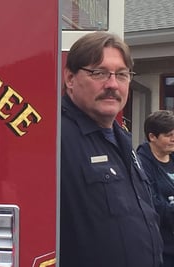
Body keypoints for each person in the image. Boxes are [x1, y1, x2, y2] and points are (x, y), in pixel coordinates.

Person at [60, 31, 163, 267]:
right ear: (70, 78)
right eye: (99, 72)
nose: (112, 84)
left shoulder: (122, 139)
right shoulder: (54, 139)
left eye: (122, 74)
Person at [137, 110, 174, 267]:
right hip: (162, 248)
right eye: (169, 135)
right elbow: (152, 204)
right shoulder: (140, 165)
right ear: (152, 137)